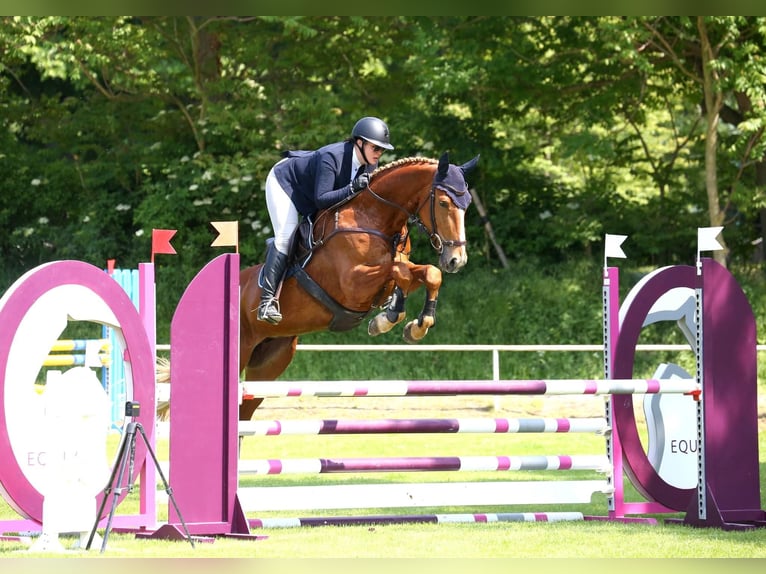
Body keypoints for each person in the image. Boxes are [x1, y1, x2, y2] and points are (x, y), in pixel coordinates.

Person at [257, 116, 395, 324]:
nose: (379, 153)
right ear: (360, 142)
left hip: (311, 191)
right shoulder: (332, 156)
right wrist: (351, 188)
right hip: (286, 183)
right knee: (286, 236)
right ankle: (266, 302)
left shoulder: (369, 165)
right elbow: (322, 200)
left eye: (382, 150)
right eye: (376, 148)